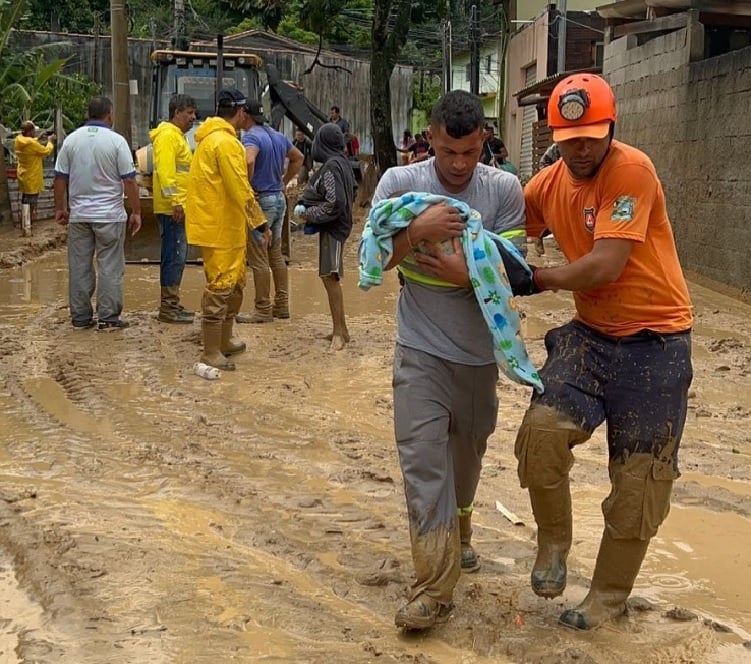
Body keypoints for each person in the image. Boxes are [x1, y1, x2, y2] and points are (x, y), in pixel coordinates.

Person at [516, 73, 693, 631]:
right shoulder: (543, 185)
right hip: (590, 335)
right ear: (555, 135)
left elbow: (604, 265)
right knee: (540, 435)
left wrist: (537, 277)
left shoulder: (631, 171)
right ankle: (553, 541)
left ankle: (608, 596)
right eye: (571, 137)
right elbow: (508, 226)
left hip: (656, 343)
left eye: (593, 134)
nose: (583, 146)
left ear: (611, 128)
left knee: (639, 483)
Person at [369, 90, 526, 630]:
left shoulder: (504, 190)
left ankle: (461, 529)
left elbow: (511, 278)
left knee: (467, 457)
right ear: (429, 138)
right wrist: (417, 232)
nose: (459, 166)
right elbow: (374, 258)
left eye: (470, 153)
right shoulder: (400, 186)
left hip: (480, 358)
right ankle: (434, 588)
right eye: (448, 153)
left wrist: (462, 274)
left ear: (483, 141)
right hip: (419, 349)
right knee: (423, 464)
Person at [185, 88, 266, 370]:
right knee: (220, 287)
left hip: (220, 226)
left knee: (234, 283)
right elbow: (240, 188)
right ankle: (210, 350)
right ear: (241, 113)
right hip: (220, 228)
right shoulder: (227, 144)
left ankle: (224, 339)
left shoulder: (209, 141)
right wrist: (260, 222)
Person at [53, 96, 141, 331]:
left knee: (79, 266)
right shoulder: (116, 142)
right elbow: (130, 181)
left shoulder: (71, 141)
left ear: (87, 114)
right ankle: (108, 318)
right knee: (110, 267)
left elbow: (60, 178)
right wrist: (136, 212)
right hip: (110, 216)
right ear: (109, 115)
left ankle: (81, 318)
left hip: (79, 216)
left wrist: (60, 208)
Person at [236, 100, 303, 324]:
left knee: (258, 257)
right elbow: (299, 158)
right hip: (279, 199)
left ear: (245, 115)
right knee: (275, 254)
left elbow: (249, 159)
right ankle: (281, 305)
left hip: (262, 200)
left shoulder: (251, 137)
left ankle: (262, 308)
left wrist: (248, 185)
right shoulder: (277, 135)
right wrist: (283, 181)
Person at [293, 124, 355, 351]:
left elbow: (335, 202)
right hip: (338, 226)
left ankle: (339, 333)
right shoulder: (342, 163)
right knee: (329, 276)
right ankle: (342, 328)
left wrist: (308, 214)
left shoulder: (331, 167)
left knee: (330, 277)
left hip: (334, 227)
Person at [150, 93, 197, 324]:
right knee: (173, 255)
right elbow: (167, 173)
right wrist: (176, 201)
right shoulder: (168, 136)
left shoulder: (176, 136)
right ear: (176, 112)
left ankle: (172, 303)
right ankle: (168, 307)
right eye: (189, 112)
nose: (193, 117)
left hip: (177, 206)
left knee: (177, 255)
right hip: (172, 208)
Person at [14, 120, 56, 223]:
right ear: (29, 132)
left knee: (25, 201)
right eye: (33, 131)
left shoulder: (19, 140)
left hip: (23, 175)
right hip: (32, 177)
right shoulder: (32, 144)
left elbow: (30, 145)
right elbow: (46, 151)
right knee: (31, 203)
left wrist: (38, 138)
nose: (34, 133)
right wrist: (50, 142)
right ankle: (28, 225)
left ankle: (25, 223)